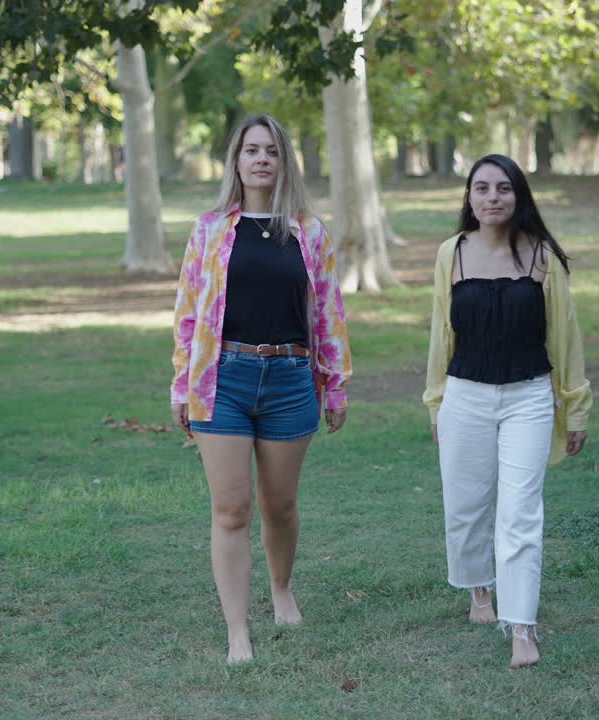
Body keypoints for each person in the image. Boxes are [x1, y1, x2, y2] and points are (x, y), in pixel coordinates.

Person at [171, 114, 352, 665]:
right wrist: (183, 384)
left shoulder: (308, 232)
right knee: (231, 510)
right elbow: (186, 314)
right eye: (251, 150)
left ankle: (281, 590)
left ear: (284, 161)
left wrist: (335, 384)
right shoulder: (209, 230)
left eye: (272, 151)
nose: (261, 159)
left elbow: (328, 314)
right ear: (236, 160)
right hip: (223, 379)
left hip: (291, 380)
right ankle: (237, 632)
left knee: (280, 505)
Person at [422, 154, 591, 669]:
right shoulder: (451, 254)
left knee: (520, 514)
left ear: (518, 196)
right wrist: (436, 403)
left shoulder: (542, 257)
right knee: (467, 506)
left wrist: (575, 406)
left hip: (529, 399)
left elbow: (564, 338)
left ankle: (522, 627)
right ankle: (479, 591)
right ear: (468, 198)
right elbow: (441, 334)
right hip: (464, 397)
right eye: (482, 188)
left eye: (503, 188)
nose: (492, 197)